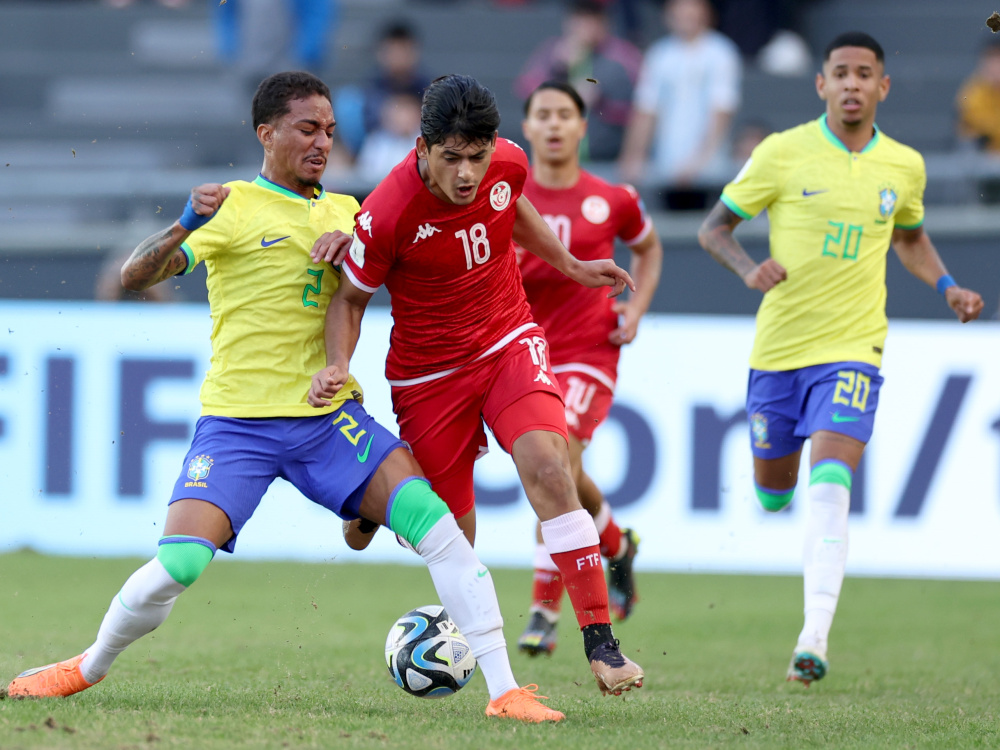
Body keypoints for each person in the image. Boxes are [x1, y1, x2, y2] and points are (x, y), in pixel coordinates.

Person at [4, 71, 564, 724]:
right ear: (266, 133)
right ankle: (86, 666)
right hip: (238, 425)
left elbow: (400, 269)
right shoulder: (232, 207)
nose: (323, 142)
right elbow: (133, 276)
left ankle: (505, 691)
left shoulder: (352, 211)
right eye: (307, 129)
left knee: (438, 527)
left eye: (329, 130)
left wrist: (355, 247)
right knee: (180, 562)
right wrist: (186, 223)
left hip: (328, 421)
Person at [308, 74, 645, 697]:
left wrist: (569, 265)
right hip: (428, 378)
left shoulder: (508, 162)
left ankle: (602, 645)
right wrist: (338, 366)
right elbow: (351, 300)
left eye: (478, 156)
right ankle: (370, 508)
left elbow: (511, 204)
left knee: (551, 468)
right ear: (422, 146)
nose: (468, 174)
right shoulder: (389, 211)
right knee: (455, 541)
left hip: (507, 339)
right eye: (452, 158)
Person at [696, 32, 984, 686]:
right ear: (820, 84)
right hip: (778, 353)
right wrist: (747, 267)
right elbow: (714, 227)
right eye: (841, 74)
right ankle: (776, 494)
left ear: (883, 87)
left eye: (865, 74)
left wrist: (947, 287)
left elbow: (909, 237)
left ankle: (813, 637)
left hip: (854, 350)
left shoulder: (904, 165)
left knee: (829, 488)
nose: (852, 84)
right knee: (774, 492)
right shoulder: (781, 152)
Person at [513, 81, 663, 656]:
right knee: (563, 474)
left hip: (589, 352)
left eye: (565, 115)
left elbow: (649, 249)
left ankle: (543, 611)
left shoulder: (613, 198)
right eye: (542, 115)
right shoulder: (508, 199)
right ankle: (616, 543)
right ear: (526, 129)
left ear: (581, 126)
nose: (553, 125)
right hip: (524, 353)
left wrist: (638, 307)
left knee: (554, 460)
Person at [618, 0, 742, 210]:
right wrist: (632, 155)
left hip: (710, 173)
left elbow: (721, 112)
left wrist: (698, 163)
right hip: (667, 169)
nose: (686, 12)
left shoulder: (721, 52)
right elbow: (646, 110)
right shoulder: (659, 54)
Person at [513, 0, 643, 161]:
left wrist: (603, 103)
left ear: (604, 22)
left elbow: (642, 109)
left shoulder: (624, 56)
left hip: (608, 157)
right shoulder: (553, 51)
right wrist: (558, 69)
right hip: (560, 159)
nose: (585, 26)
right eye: (579, 19)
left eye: (592, 19)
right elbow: (526, 91)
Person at [956, 37, 1000, 152]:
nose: (995, 67)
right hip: (987, 161)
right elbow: (971, 133)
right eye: (991, 59)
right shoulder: (974, 92)